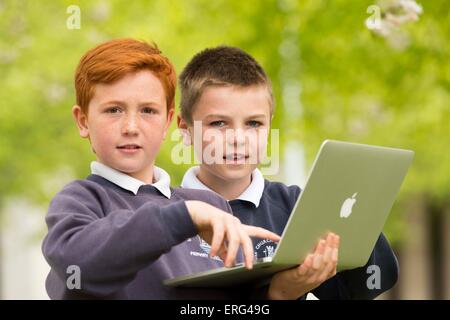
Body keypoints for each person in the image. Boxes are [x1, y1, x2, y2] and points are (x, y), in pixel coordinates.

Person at [41, 38, 281, 299]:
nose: (131, 127)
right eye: (113, 110)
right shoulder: (80, 201)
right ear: (83, 121)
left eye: (147, 110)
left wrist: (286, 289)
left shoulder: (209, 205)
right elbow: (78, 265)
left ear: (167, 122)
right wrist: (184, 217)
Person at [177, 46, 399, 299]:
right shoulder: (160, 213)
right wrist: (280, 293)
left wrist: (360, 222)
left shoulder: (300, 207)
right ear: (185, 128)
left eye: (253, 123)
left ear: (270, 124)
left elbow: (371, 283)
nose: (238, 139)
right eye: (219, 123)